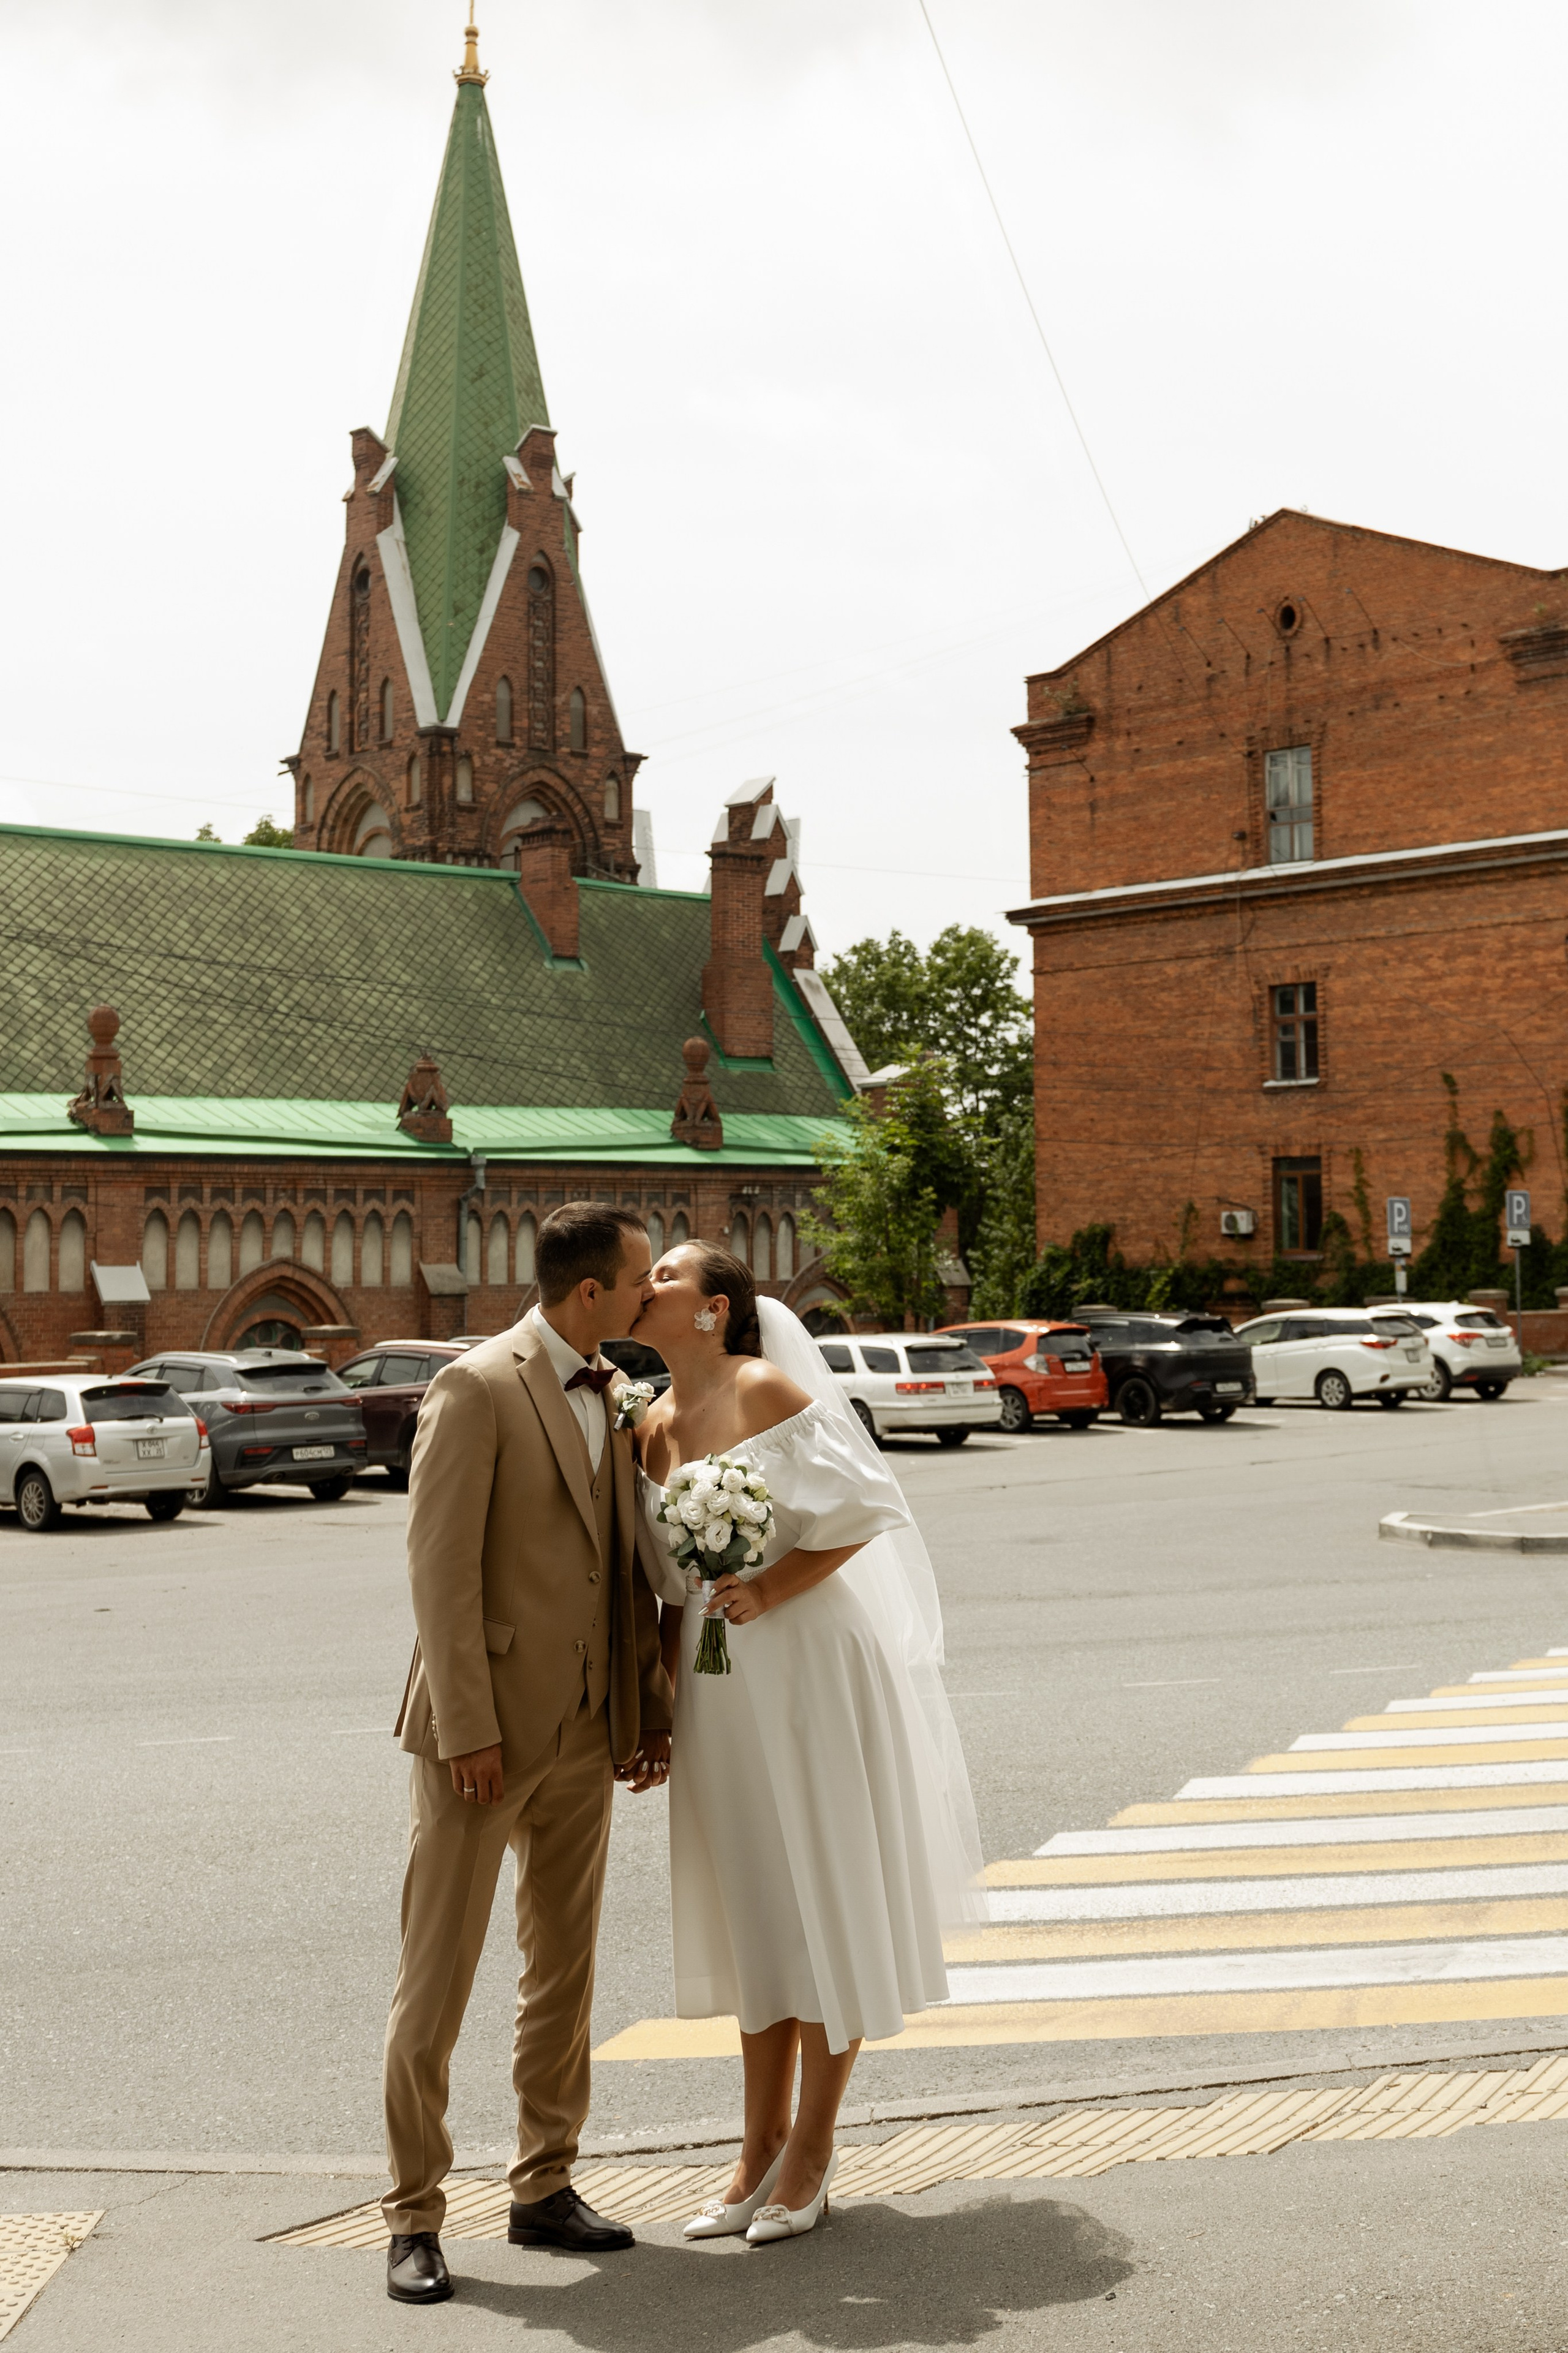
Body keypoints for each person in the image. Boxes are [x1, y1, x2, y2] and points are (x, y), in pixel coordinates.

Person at [631, 1243, 984, 2246]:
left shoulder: (764, 1388)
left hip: (812, 1664)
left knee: (824, 1887)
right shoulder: (653, 1423)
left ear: (714, 1309)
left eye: (666, 1273)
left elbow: (871, 1507)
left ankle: (812, 2153)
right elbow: (668, 1580)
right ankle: (754, 2148)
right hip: (718, 1685)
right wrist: (661, 1700)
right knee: (756, 1900)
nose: (646, 1282)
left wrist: (774, 1584)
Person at [381, 1203, 673, 2306]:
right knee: (437, 1980)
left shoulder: (612, 1385)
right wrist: (467, 1730)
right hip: (482, 1741)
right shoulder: (476, 1386)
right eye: (640, 1277)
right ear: (589, 1290)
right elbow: (439, 1574)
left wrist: (646, 1712)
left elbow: (624, 1569)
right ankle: (413, 2214)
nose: (650, 1292)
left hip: (586, 1732)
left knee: (564, 1969)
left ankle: (544, 2183)